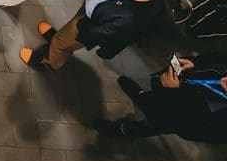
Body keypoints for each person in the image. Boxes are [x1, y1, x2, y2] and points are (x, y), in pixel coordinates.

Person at [19, 0, 173, 70]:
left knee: (62, 43)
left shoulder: (130, 19)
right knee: (64, 34)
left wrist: (78, 26)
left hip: (85, 26)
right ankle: (58, 38)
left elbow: (100, 34)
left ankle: (50, 61)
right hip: (89, 10)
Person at [93, 53, 227, 142]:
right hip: (188, 84)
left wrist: (174, 92)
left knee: (156, 123)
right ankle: (144, 97)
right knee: (152, 87)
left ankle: (123, 131)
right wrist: (196, 62)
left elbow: (191, 131)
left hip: (183, 113)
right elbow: (219, 56)